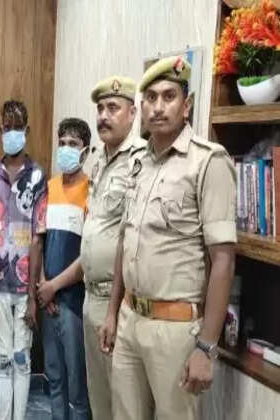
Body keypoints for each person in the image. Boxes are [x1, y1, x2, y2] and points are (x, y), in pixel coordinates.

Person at [99, 56, 237, 420]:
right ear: (141, 107)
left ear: (186, 105)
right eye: (151, 98)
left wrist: (206, 347)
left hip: (175, 330)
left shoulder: (208, 162)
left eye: (169, 96)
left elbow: (223, 260)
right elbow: (125, 240)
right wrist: (112, 312)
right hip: (130, 318)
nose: (158, 107)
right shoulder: (138, 163)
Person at [79, 75, 145, 420]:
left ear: (132, 113)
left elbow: (128, 240)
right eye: (101, 108)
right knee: (99, 401)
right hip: (91, 296)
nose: (104, 116)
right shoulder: (99, 159)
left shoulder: (141, 160)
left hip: (115, 303)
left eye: (113, 108)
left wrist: (113, 311)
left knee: (123, 404)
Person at [0, 100, 46, 420]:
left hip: (24, 289)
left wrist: (33, 296)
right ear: (0, 130)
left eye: (18, 128)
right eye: (7, 128)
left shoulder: (38, 177)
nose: (12, 133)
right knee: (3, 360)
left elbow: (37, 238)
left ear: (27, 130)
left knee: (22, 359)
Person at [36, 118, 91, 420]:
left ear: (86, 151)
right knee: (54, 378)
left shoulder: (91, 191)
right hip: (48, 302)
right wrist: (43, 285)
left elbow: (89, 256)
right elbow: (40, 242)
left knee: (77, 387)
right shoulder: (49, 188)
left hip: (74, 302)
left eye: (73, 144)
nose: (66, 149)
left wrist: (53, 287)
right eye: (62, 143)